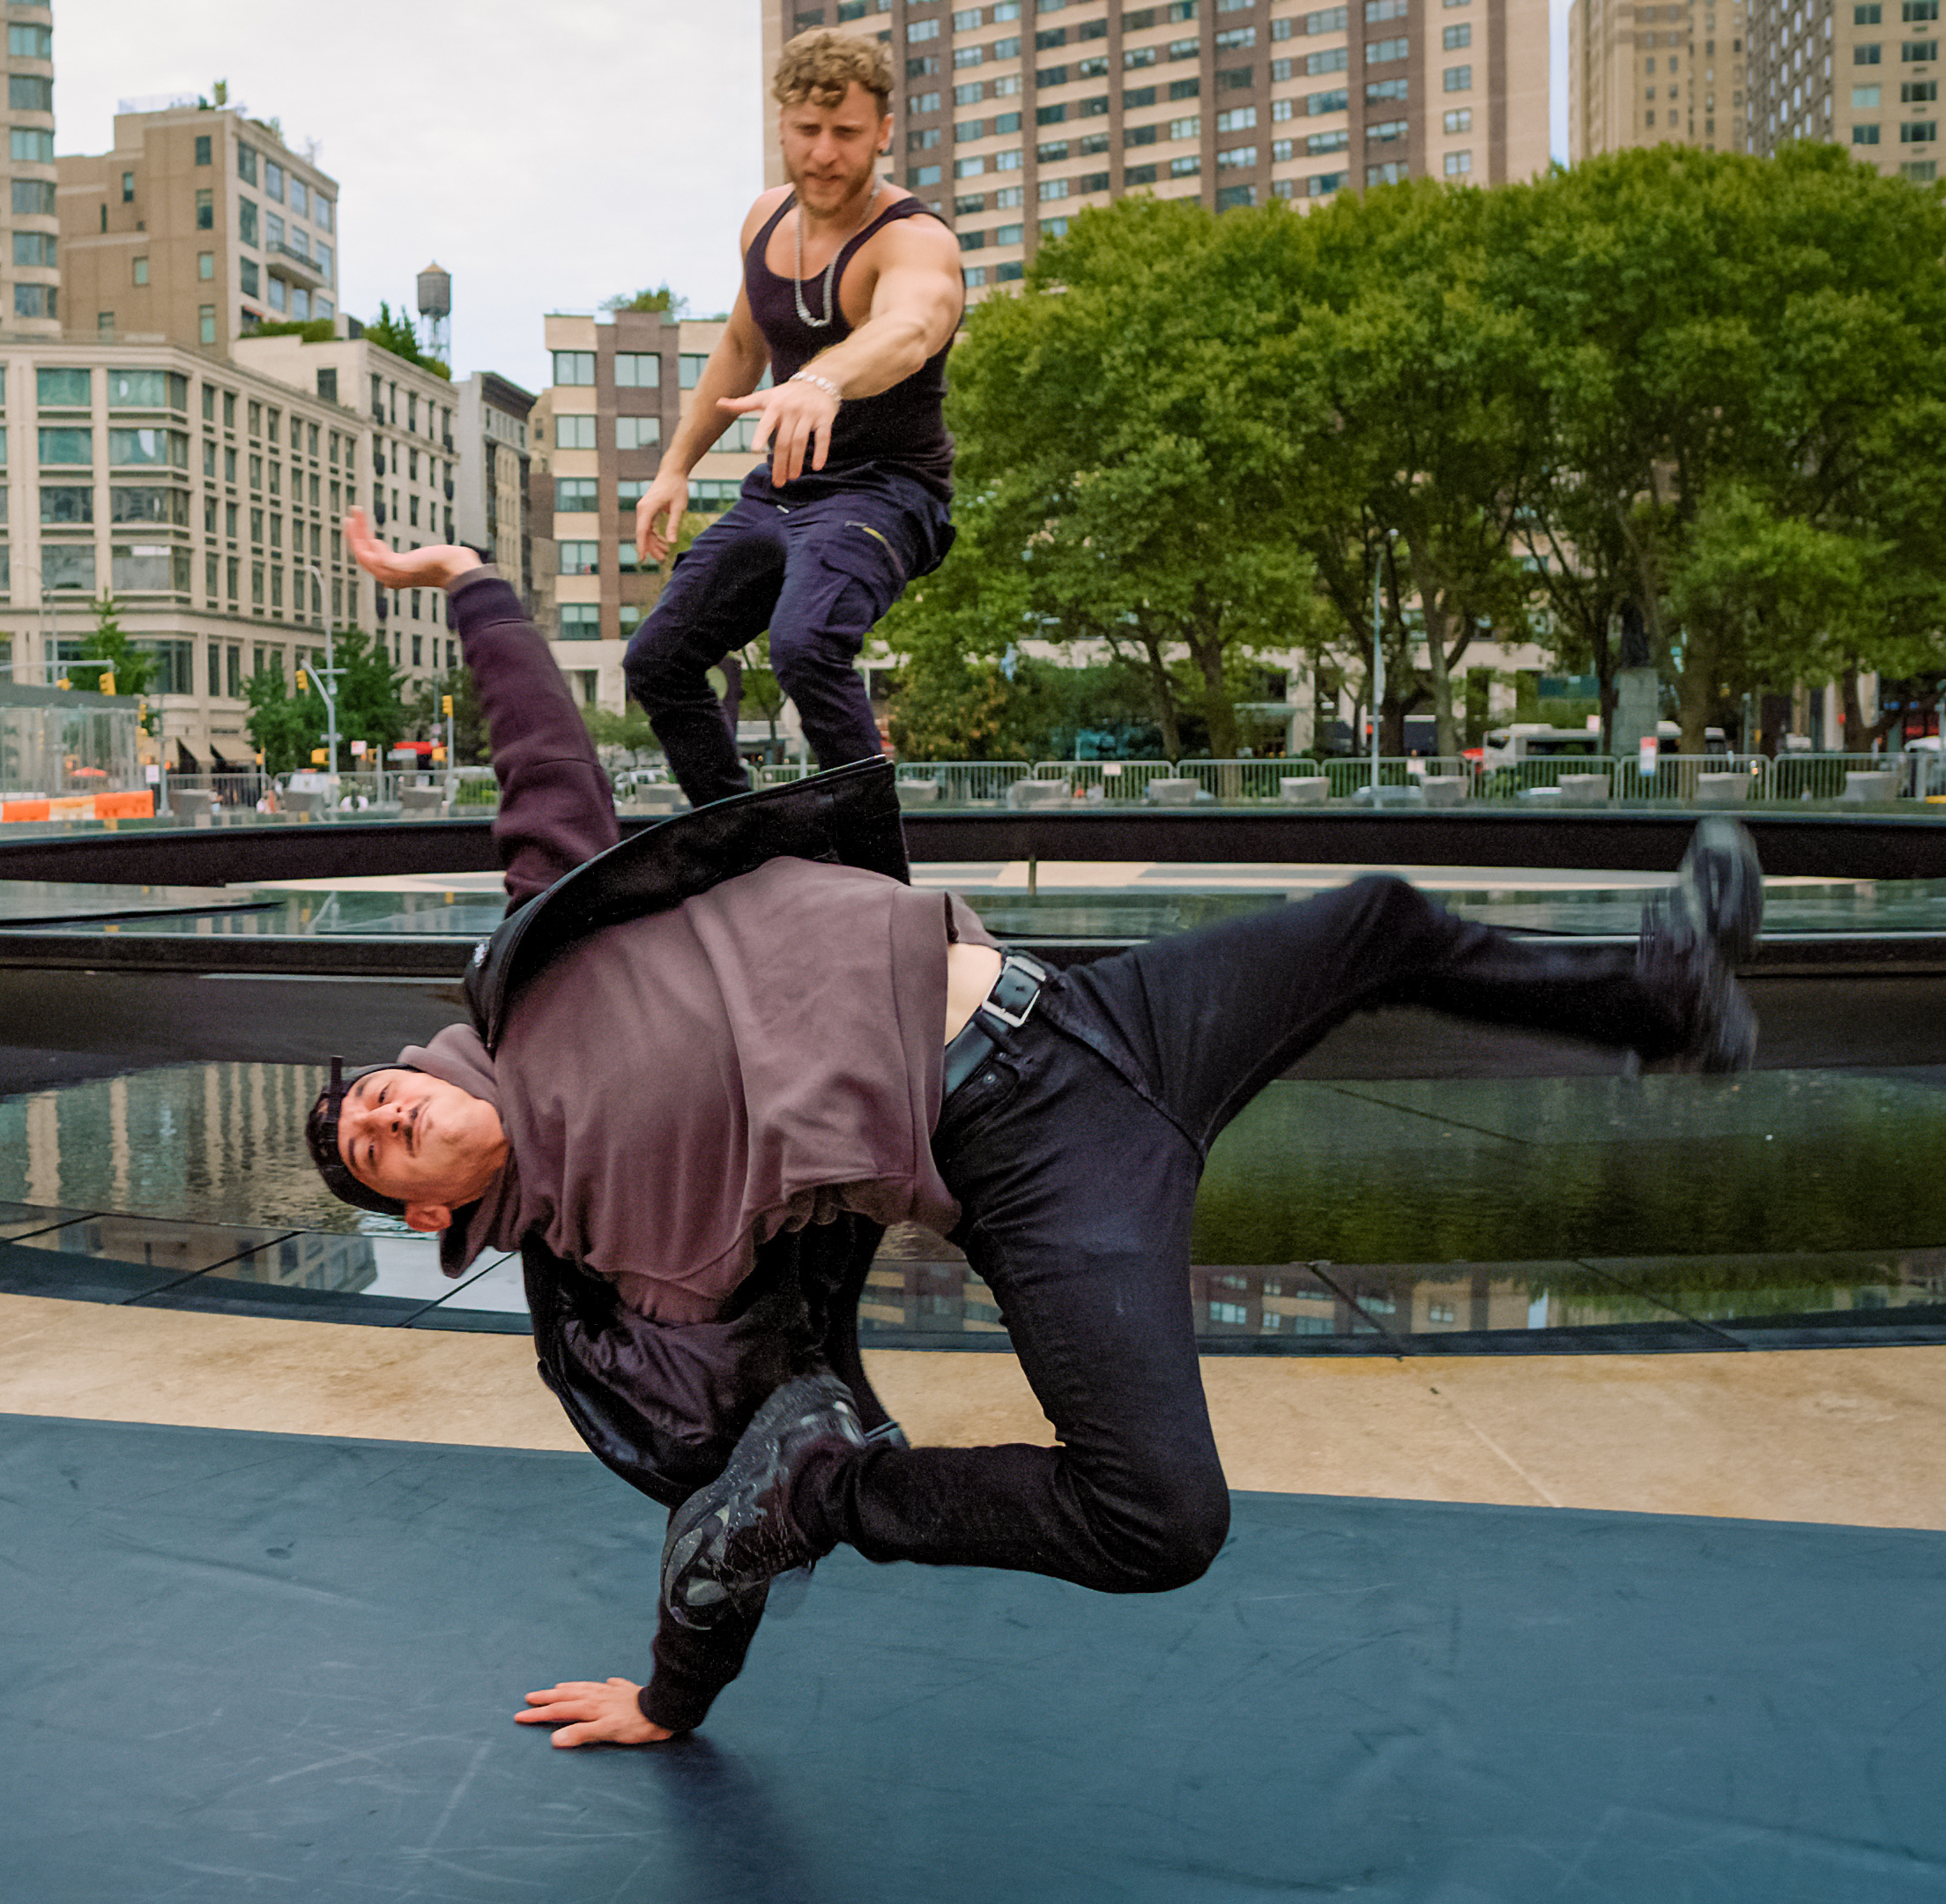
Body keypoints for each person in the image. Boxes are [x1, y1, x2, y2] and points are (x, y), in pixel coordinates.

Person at [308, 509, 1766, 1748]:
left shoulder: (543, 975)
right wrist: (674, 1693)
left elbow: (543, 767)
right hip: (1028, 1161)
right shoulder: (621, 1269)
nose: (383, 1111)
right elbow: (717, 1484)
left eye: (376, 1093)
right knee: (1159, 1519)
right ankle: (859, 1500)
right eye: (374, 1149)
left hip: (1091, 1019)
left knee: (1373, 921)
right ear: (434, 1214)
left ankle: (1665, 1002)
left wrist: (471, 586)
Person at [621, 26, 969, 810]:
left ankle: (879, 883)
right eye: (807, 132)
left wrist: (823, 378)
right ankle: (737, 841)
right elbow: (743, 343)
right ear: (781, 127)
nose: (823, 154)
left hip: (890, 493)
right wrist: (674, 466)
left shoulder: (914, 242)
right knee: (658, 658)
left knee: (805, 647)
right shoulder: (765, 220)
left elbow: (909, 331)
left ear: (882, 132)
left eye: (846, 133)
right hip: (783, 489)